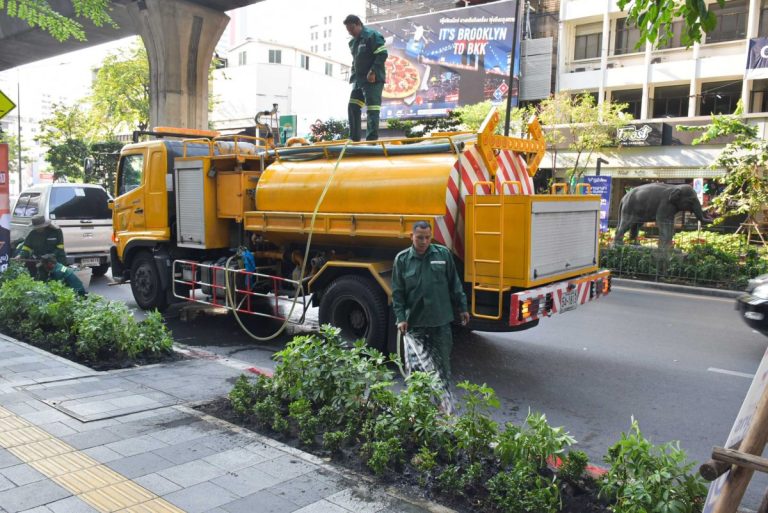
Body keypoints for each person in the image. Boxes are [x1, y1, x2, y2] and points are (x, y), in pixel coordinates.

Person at [391, 220, 470, 413]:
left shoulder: (442, 255)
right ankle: (419, 404)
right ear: (411, 236)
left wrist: (463, 307)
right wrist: (401, 317)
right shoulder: (402, 260)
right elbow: (398, 293)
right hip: (415, 322)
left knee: (442, 364)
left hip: (440, 321)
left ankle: (444, 404)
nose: (424, 241)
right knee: (417, 366)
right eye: (420, 238)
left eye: (427, 237)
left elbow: (455, 283)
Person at [344, 14, 388, 142]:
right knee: (353, 106)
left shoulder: (372, 35)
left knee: (372, 109)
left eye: (352, 28)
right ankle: (354, 139)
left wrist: (373, 71)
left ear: (359, 24)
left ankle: (371, 141)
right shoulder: (352, 42)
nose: (351, 32)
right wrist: (353, 75)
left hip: (373, 80)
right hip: (358, 81)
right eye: (348, 30)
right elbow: (355, 61)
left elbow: (382, 53)